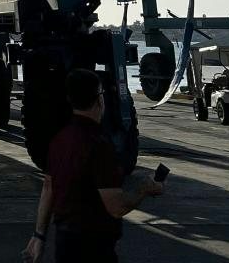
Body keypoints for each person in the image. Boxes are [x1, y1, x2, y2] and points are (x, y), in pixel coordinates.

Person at [25, 69, 164, 263]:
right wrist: (144, 188)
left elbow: (48, 187)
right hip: (93, 247)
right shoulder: (99, 144)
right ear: (99, 99)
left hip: (64, 243)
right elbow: (116, 207)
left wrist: (39, 235)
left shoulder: (60, 140)